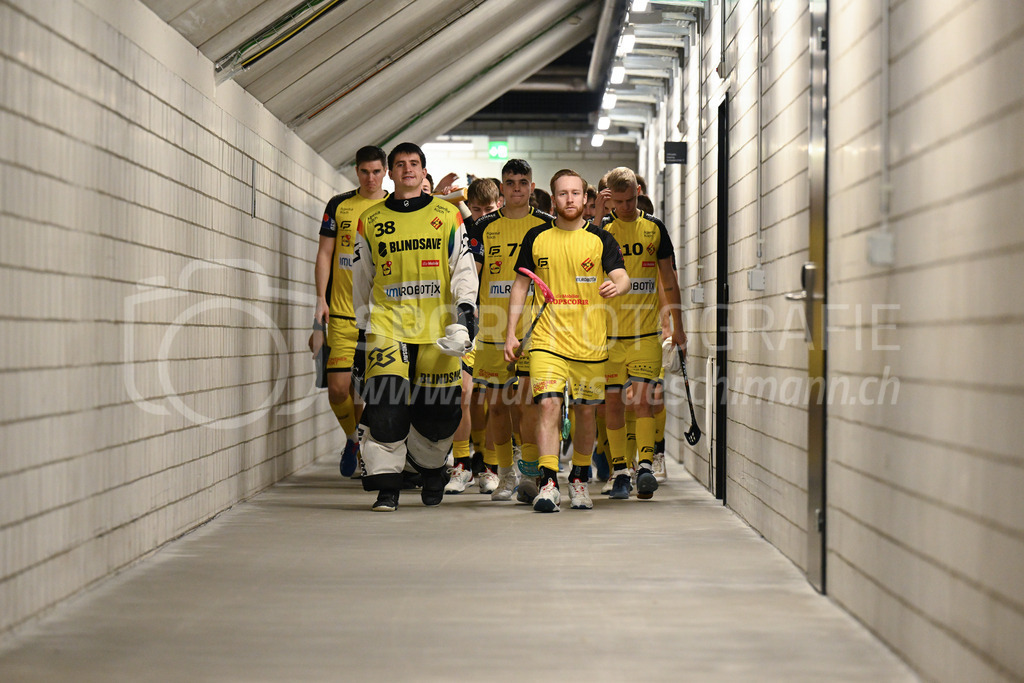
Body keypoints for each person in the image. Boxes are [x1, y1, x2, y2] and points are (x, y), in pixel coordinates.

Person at [351, 142, 479, 511]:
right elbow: (362, 277)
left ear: (424, 172)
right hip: (388, 325)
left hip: (438, 331)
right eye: (400, 165)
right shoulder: (371, 220)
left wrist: (465, 316)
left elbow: (463, 270)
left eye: (415, 164)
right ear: (390, 173)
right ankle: (387, 486)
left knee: (439, 411)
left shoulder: (448, 214)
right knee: (387, 405)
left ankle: (432, 466)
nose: (408, 169)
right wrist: (364, 327)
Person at [504, 169, 629, 512]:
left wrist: (617, 284)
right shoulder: (536, 237)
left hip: (590, 343)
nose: (570, 200)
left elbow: (622, 275)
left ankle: (578, 479)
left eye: (576, 193)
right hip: (546, 340)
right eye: (562, 194)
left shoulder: (600, 240)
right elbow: (520, 285)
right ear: (553, 197)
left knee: (586, 413)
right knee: (547, 405)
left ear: (586, 199)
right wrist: (511, 332)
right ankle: (547, 481)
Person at [466, 159, 552, 503]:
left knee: (527, 404)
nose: (516, 187)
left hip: (534, 331)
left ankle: (530, 473)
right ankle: (504, 475)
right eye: (510, 182)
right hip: (492, 330)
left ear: (532, 187)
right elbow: (471, 275)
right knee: (498, 406)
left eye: (523, 182)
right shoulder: (483, 225)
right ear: (501, 188)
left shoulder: (547, 224)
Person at [600, 167, 685, 500]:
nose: (623, 207)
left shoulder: (655, 228)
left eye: (629, 199)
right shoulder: (602, 230)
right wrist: (596, 214)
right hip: (607, 336)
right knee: (612, 404)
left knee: (644, 401)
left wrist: (679, 328)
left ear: (638, 192)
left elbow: (669, 280)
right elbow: (584, 264)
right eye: (617, 201)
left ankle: (646, 467)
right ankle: (620, 470)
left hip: (646, 333)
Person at [311, 145, 389, 478]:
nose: (370, 178)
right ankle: (351, 438)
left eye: (376, 171)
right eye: (364, 172)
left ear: (385, 171)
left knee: (378, 391)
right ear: (356, 172)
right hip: (342, 315)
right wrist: (320, 301)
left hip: (383, 319)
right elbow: (325, 254)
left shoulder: (394, 206)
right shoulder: (340, 205)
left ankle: (370, 447)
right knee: (339, 388)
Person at [445, 178, 502, 495]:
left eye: (487, 209)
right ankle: (462, 464)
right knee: (462, 393)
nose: (480, 215)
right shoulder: (464, 231)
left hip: (498, 322)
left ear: (499, 204)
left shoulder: (505, 230)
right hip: (468, 320)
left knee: (495, 398)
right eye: (475, 208)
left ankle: (492, 468)